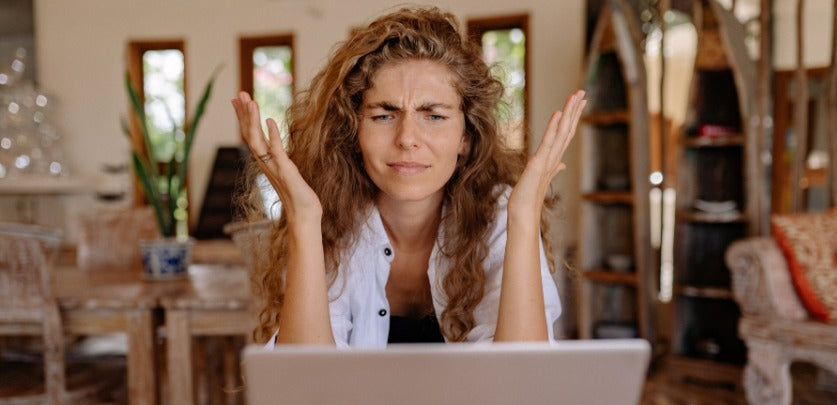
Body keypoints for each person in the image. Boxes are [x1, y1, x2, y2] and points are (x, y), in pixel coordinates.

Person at [232, 6, 585, 347]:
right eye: (384, 115)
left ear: (466, 136)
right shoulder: (329, 217)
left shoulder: (497, 213)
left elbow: (521, 383)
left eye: (433, 116)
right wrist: (305, 220)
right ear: (353, 131)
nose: (407, 138)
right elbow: (305, 385)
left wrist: (523, 217)